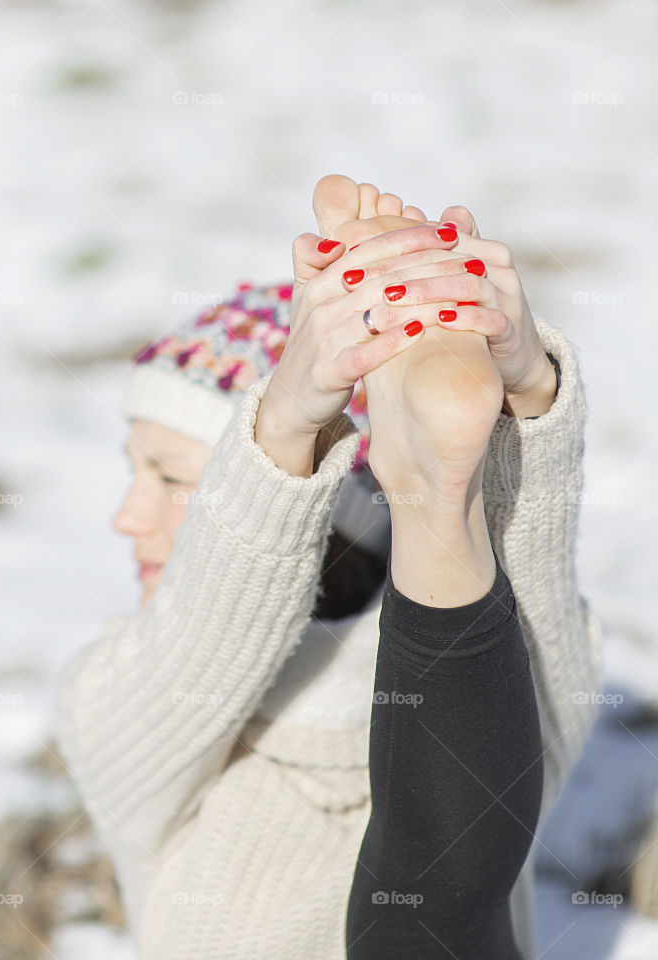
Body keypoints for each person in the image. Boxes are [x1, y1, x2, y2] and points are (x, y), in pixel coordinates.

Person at [52, 174, 603, 959]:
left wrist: (529, 400)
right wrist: (282, 419)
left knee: (448, 847)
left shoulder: (499, 705)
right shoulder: (117, 693)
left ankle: (436, 507)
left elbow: (541, 632)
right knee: (439, 892)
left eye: (173, 479)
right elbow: (203, 643)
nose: (125, 517)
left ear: (325, 502)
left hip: (451, 700)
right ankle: (432, 512)